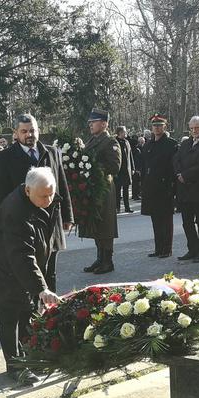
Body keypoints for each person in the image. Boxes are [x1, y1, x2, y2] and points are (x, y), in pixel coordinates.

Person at [0, 168, 67, 385]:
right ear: (28, 191)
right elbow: (22, 256)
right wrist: (40, 288)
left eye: (51, 194)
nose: (49, 199)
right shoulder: (15, 211)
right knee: (10, 319)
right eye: (43, 196)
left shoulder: (43, 199)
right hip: (3, 273)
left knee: (28, 314)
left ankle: (29, 358)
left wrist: (39, 286)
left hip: (23, 269)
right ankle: (16, 366)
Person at [0, 114, 73, 291]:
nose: (29, 134)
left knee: (50, 271)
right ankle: (32, 313)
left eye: (32, 130)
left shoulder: (52, 152)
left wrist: (68, 216)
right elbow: (3, 195)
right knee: (29, 270)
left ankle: (51, 312)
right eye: (24, 131)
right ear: (16, 133)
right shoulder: (5, 157)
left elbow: (62, 184)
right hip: (24, 223)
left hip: (51, 221)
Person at [81, 108, 121, 274]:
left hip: (104, 189)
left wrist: (95, 169)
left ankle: (108, 261)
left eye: (94, 121)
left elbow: (115, 166)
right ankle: (100, 258)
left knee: (106, 225)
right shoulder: (91, 140)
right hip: (94, 189)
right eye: (90, 121)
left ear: (104, 124)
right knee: (97, 225)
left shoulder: (110, 142)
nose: (90, 124)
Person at [173, 115, 199, 263]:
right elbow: (176, 159)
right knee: (186, 222)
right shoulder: (186, 143)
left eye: (197, 128)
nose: (194, 131)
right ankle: (192, 249)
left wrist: (186, 175)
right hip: (184, 189)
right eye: (191, 128)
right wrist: (179, 173)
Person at [141, 113, 178, 258]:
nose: (156, 128)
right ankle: (158, 248)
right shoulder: (148, 144)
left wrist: (172, 187)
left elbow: (173, 167)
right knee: (155, 219)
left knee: (166, 220)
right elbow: (144, 166)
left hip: (165, 187)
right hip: (151, 187)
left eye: (159, 125)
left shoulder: (171, 144)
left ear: (165, 126)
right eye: (154, 125)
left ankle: (167, 249)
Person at [114, 126, 135, 213]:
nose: (125, 133)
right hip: (119, 170)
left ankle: (127, 207)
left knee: (126, 190)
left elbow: (130, 156)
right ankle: (117, 208)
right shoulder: (115, 142)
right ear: (119, 132)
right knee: (117, 191)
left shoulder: (127, 142)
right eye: (124, 132)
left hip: (127, 170)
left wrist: (133, 168)